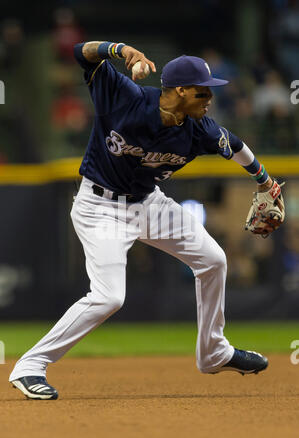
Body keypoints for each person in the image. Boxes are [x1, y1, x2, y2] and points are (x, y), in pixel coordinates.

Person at [9, 40, 272, 400]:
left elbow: (236, 146)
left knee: (214, 260)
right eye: (202, 92)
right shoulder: (125, 96)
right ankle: (30, 366)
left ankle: (214, 352)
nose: (209, 98)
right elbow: (78, 53)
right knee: (109, 298)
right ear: (180, 90)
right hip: (100, 206)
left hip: (149, 204)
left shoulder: (201, 128)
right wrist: (118, 50)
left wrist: (265, 181)